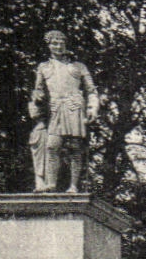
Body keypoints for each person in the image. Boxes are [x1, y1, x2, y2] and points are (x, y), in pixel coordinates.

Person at [29, 29, 99, 192]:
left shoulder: (78, 67)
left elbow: (91, 90)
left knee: (75, 146)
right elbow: (38, 89)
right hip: (55, 107)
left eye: (61, 43)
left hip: (74, 106)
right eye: (54, 43)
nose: (58, 46)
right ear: (49, 46)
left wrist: (92, 107)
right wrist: (37, 95)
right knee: (53, 145)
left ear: (66, 45)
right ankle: (51, 184)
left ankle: (74, 185)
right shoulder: (44, 67)